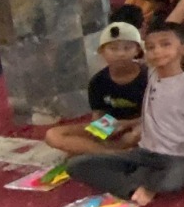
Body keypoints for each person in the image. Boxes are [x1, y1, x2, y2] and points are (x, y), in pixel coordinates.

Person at [65, 22, 184, 205]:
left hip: (180, 157)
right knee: (76, 165)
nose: (157, 51)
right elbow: (98, 121)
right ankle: (135, 187)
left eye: (165, 45)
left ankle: (143, 182)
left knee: (175, 178)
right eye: (151, 48)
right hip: (144, 153)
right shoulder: (152, 74)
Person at [45, 22, 147, 157]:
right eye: (113, 48)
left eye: (127, 48)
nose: (121, 54)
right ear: (102, 52)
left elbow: (160, 116)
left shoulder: (149, 76)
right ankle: (111, 153)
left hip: (142, 124)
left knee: (135, 135)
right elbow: (98, 115)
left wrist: (126, 124)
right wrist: (101, 132)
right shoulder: (98, 81)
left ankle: (100, 152)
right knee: (53, 135)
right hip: (110, 125)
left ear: (137, 50)